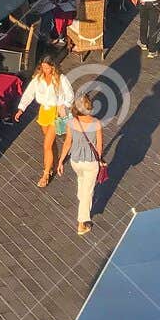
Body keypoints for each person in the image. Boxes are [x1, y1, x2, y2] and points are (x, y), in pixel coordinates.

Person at [14, 57, 74, 188]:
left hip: (55, 113)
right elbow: (29, 93)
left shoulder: (60, 78)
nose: (45, 70)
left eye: (47, 67)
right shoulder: (38, 79)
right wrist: (21, 109)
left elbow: (70, 95)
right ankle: (55, 162)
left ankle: (46, 173)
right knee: (50, 142)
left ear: (53, 67)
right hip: (44, 112)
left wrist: (63, 106)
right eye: (43, 67)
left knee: (46, 144)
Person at [57, 93, 104, 236]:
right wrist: (99, 159)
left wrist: (60, 161)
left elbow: (67, 143)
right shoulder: (96, 123)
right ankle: (82, 223)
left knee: (82, 182)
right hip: (90, 162)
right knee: (88, 192)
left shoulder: (72, 123)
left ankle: (82, 200)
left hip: (75, 161)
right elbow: (99, 146)